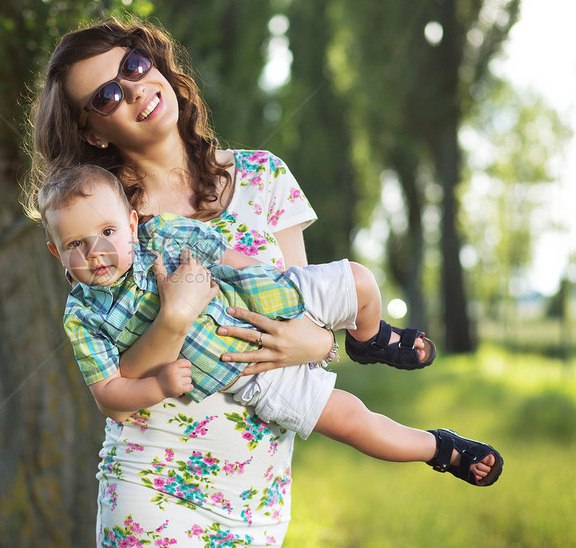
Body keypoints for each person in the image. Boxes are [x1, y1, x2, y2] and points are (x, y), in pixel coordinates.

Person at [25, 17, 499, 547]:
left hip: (257, 492)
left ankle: (436, 446)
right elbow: (120, 379)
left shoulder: (263, 177)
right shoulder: (99, 221)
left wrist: (320, 342)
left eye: (134, 65)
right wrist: (175, 319)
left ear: (155, 63)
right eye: (107, 96)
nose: (134, 89)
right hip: (150, 488)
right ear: (92, 131)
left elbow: (305, 311)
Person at [37, 162, 500, 481]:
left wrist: (273, 280)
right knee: (352, 419)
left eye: (108, 232)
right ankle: (443, 450)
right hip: (251, 373)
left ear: (133, 223)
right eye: (76, 244)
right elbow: (109, 394)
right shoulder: (83, 316)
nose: (95, 251)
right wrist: (156, 386)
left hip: (266, 296)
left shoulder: (161, 233)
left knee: (358, 280)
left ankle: (371, 338)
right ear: (57, 252)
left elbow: (225, 255)